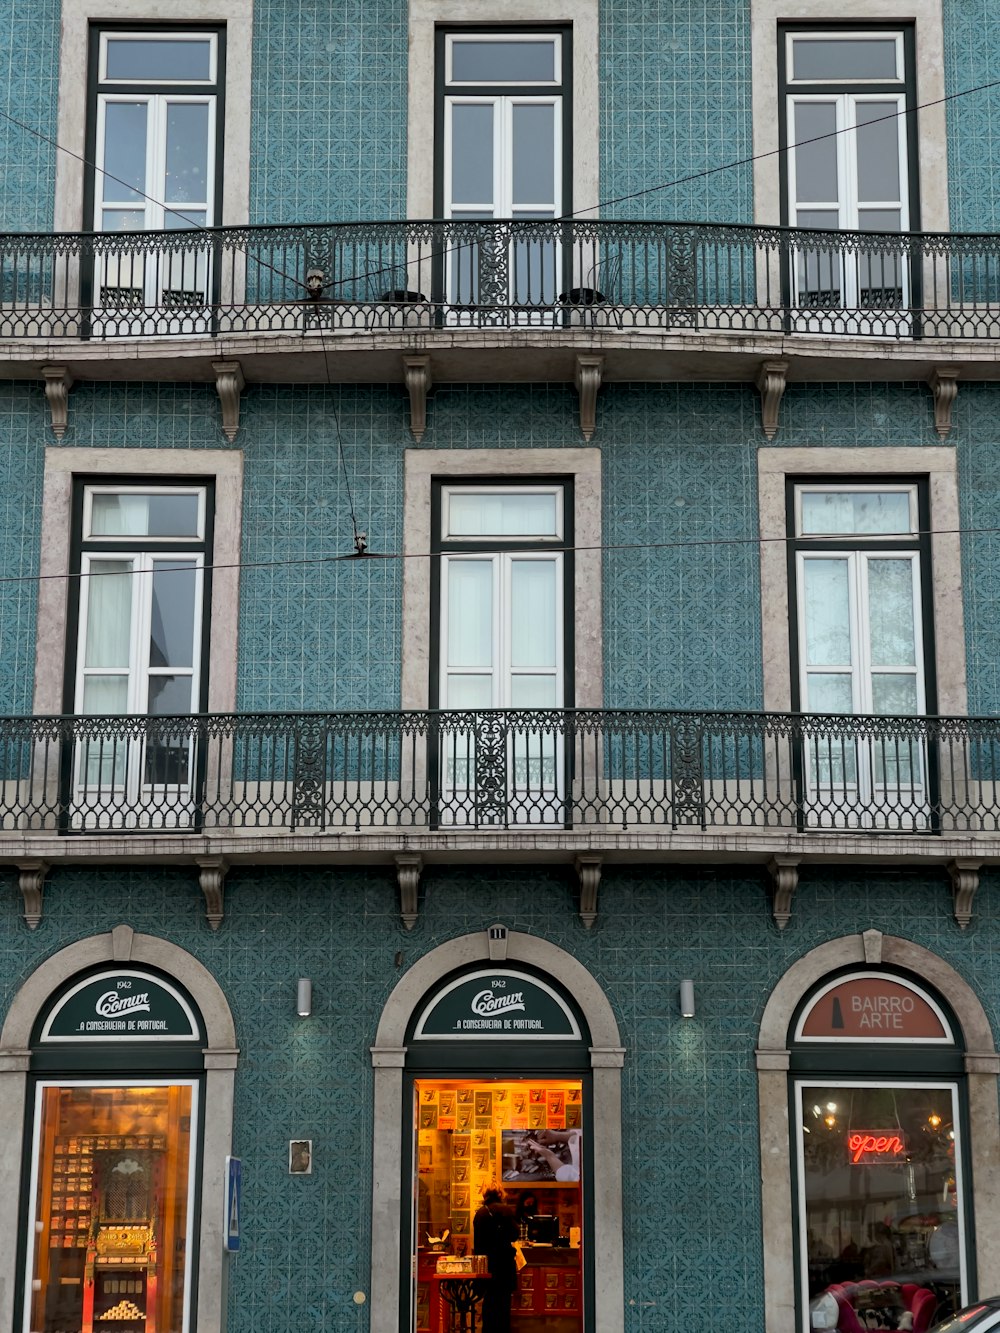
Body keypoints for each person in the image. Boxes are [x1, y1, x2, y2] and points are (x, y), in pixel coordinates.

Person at [473, 1187, 518, 1333]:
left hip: (487, 1265)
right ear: (500, 1194)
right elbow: (514, 1235)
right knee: (503, 1304)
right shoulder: (506, 1210)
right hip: (504, 1264)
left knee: (490, 1302)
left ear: (485, 1194)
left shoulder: (480, 1213)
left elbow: (478, 1243)